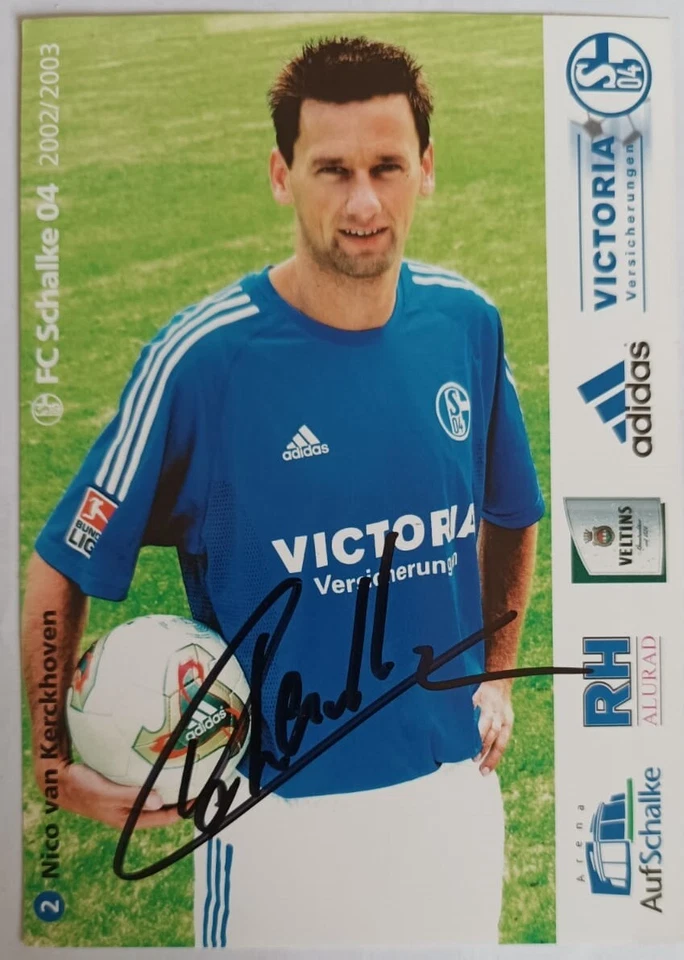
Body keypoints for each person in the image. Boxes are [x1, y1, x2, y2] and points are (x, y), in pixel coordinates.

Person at [21, 36, 544, 947]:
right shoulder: (203, 362)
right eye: (332, 169)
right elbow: (64, 563)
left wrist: (496, 676)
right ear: (281, 175)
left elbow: (511, 511)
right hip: (272, 816)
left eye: (386, 167)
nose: (363, 202)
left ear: (426, 169)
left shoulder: (466, 323)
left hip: (453, 798)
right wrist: (53, 755)